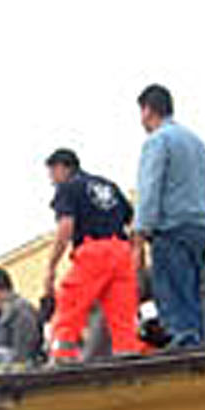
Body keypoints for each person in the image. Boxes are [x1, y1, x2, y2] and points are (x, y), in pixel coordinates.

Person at [132, 85, 205, 348]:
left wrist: (139, 234)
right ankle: (196, 345)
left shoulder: (158, 141)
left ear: (147, 110)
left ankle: (184, 349)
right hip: (200, 227)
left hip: (172, 229)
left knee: (173, 298)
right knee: (191, 296)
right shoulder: (197, 143)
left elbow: (149, 189)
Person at [42, 148, 140, 361]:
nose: (52, 181)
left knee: (70, 304)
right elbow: (133, 221)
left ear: (62, 168)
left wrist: (51, 266)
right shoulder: (108, 186)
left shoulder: (68, 187)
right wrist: (136, 252)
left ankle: (62, 355)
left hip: (93, 252)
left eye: (52, 174)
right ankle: (128, 354)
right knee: (122, 312)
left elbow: (66, 227)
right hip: (121, 251)